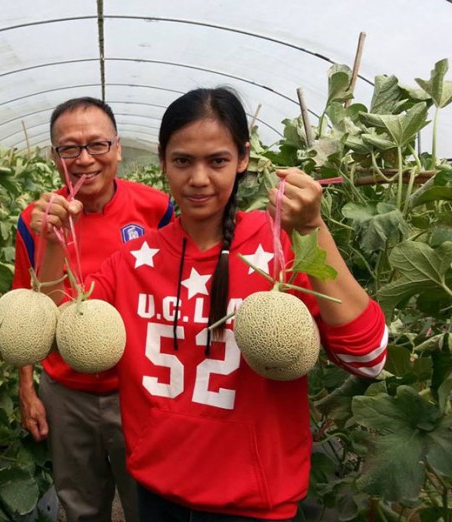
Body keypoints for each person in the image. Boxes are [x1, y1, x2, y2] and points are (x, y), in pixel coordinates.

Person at [32, 87, 388, 521]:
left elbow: (367, 357)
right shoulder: (131, 261)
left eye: (217, 161)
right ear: (162, 162)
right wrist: (53, 243)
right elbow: (46, 337)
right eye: (183, 161)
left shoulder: (280, 249)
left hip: (254, 504)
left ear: (243, 159)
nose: (198, 178)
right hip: (157, 494)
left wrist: (313, 230)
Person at [12, 97, 175, 522]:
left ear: (118, 149)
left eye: (97, 145)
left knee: (149, 502)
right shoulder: (35, 220)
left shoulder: (158, 209)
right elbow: (24, 310)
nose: (84, 159)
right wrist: (27, 388)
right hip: (66, 393)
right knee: (79, 504)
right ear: (54, 157)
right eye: (69, 148)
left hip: (140, 388)